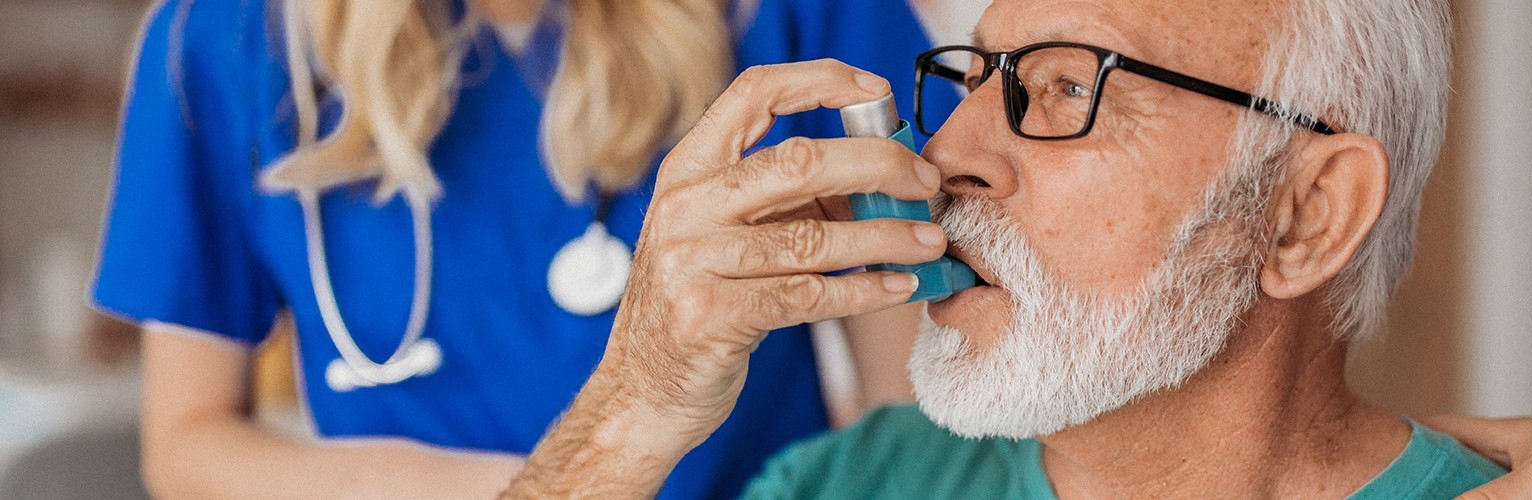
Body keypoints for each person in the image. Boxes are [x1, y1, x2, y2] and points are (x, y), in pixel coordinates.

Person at [501, 0, 1532, 497]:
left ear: (1306, 211)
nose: (948, 152)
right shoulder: (850, 484)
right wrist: (631, 411)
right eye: (974, 76)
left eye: (1069, 85)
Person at [91, 0, 960, 497]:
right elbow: (187, 445)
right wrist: (553, 483)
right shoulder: (223, 46)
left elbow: (915, 417)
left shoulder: (804, 17)